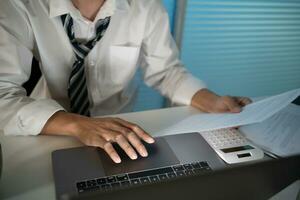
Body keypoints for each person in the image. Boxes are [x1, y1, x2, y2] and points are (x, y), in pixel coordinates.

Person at [0, 0, 251, 163]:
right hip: (48, 128)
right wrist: (77, 125)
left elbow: (166, 71)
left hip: (120, 131)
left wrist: (213, 101)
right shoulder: (18, 5)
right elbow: (2, 95)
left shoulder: (147, 7)